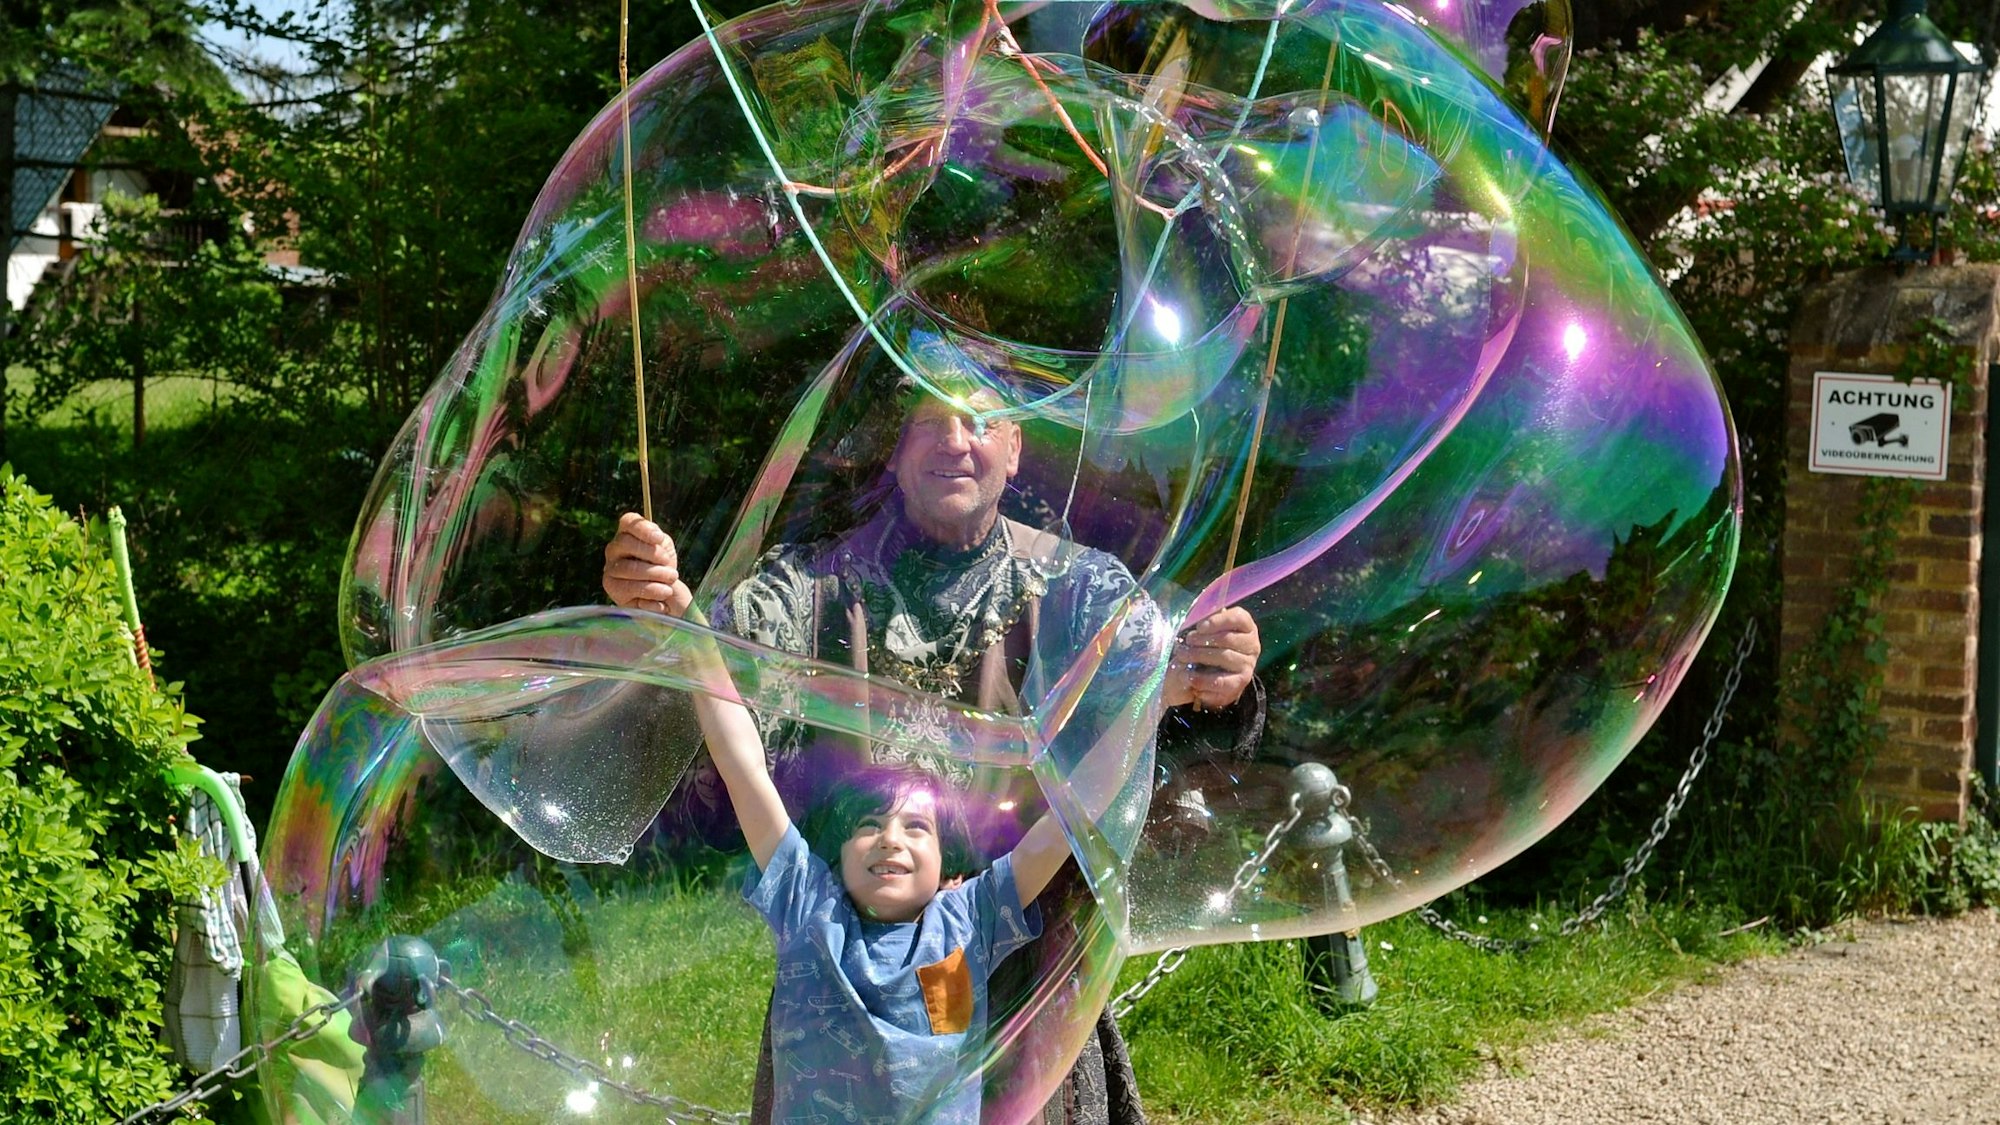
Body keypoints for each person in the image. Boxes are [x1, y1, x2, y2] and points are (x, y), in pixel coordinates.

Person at [604, 384, 1264, 1123]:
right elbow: (709, 701)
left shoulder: (1085, 592)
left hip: (1023, 980)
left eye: (980, 420)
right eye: (928, 421)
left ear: (1015, 448)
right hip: (843, 984)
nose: (955, 440)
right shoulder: (811, 587)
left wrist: (1216, 677)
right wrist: (664, 615)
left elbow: (1147, 742)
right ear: (896, 450)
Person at [684, 655, 1068, 1123]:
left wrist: (1149, 706)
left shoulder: (969, 921)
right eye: (869, 824)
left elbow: (1069, 819)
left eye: (916, 827)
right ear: (839, 856)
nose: (890, 838)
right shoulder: (808, 904)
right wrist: (689, 631)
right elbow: (741, 765)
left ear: (950, 865)